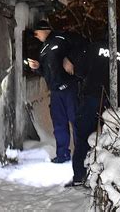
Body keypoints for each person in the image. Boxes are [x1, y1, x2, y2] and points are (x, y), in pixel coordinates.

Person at [66, 27, 120, 186]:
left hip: (91, 100)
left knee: (83, 138)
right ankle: (108, 178)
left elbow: (79, 70)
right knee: (113, 140)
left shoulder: (95, 47)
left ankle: (80, 176)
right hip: (114, 105)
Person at [27, 20, 85, 163]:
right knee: (59, 124)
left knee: (76, 121)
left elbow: (83, 45)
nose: (36, 36)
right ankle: (62, 154)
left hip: (70, 88)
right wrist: (37, 67)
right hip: (55, 92)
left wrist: (71, 59)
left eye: (36, 32)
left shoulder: (61, 38)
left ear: (44, 29)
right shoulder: (43, 49)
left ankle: (82, 155)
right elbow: (48, 71)